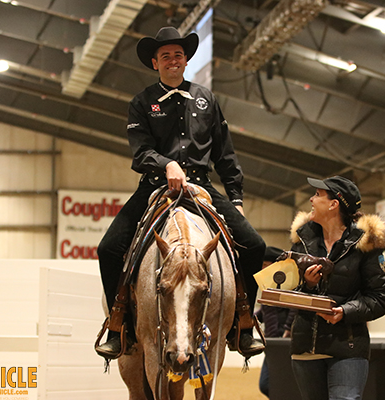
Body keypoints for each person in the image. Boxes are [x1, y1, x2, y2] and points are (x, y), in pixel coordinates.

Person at [95, 26, 266, 360]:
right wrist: (166, 165)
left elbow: (225, 155)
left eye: (178, 55)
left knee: (255, 245)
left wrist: (237, 199)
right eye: (165, 57)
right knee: (109, 248)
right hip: (154, 188)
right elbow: (141, 151)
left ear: (186, 60)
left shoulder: (207, 100)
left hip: (201, 186)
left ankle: (243, 322)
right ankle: (119, 323)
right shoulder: (141, 103)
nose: (172, 61)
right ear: (155, 63)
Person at [288, 176, 385, 400]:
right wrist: (308, 285)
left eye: (317, 195)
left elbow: (381, 297)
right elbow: (287, 292)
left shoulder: (366, 245)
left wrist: (345, 312)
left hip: (349, 348)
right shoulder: (301, 241)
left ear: (334, 204)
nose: (311, 199)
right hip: (306, 348)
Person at [255, 246, 298, 397]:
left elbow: (294, 307)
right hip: (272, 343)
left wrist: (288, 329)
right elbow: (265, 311)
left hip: (283, 341)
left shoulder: (287, 286)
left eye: (266, 265)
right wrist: (252, 317)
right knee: (267, 384)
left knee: (271, 383)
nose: (263, 268)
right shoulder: (268, 287)